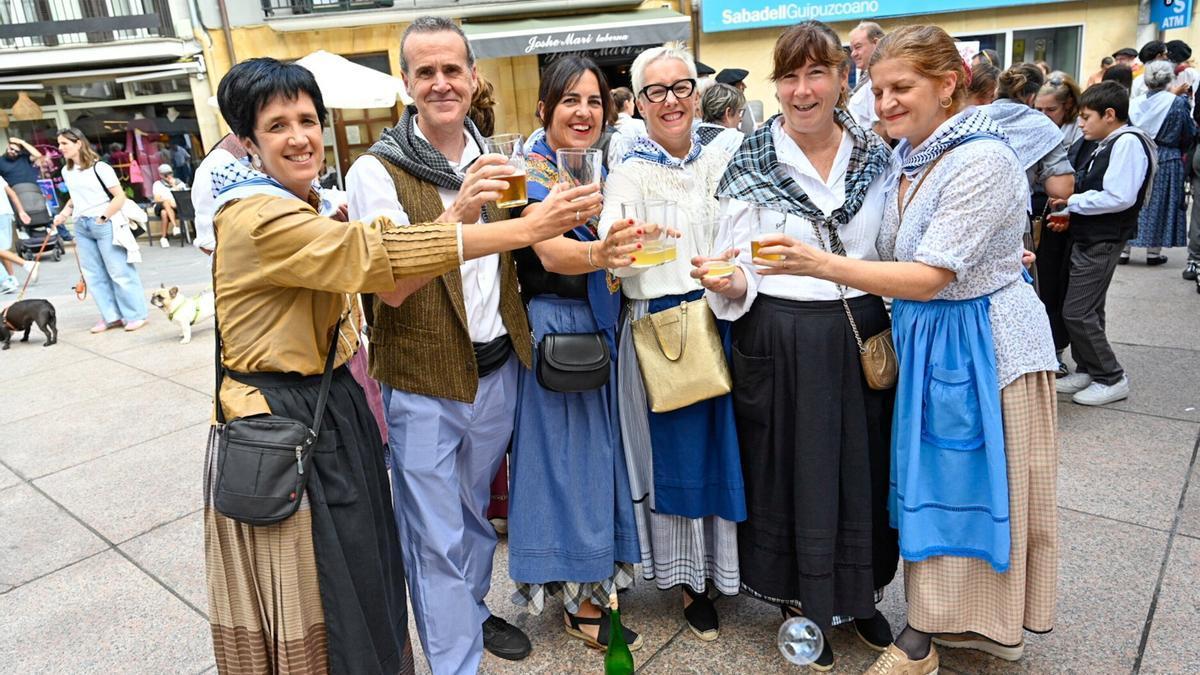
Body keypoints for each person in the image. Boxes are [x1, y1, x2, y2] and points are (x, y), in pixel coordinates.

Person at [205, 55, 588, 675]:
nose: (299, 136)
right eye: (277, 126)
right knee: (321, 573)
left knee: (369, 560)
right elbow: (375, 258)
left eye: (307, 119)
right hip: (288, 413)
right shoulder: (260, 213)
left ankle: (434, 637)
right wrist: (504, 227)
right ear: (246, 143)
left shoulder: (302, 202)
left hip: (337, 400)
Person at [755, 25, 1060, 673]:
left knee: (975, 485)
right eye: (879, 88)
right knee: (938, 484)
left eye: (902, 88)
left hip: (987, 347)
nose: (886, 101)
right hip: (936, 339)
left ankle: (932, 635)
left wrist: (822, 265)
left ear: (948, 86)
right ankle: (942, 623)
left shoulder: (981, 158)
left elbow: (929, 273)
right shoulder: (912, 154)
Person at [345, 17, 602, 674]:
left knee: (473, 520)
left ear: (472, 77)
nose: (440, 83)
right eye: (425, 72)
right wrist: (457, 213)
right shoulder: (377, 171)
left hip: (497, 372)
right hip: (425, 379)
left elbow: (534, 246)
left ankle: (471, 608)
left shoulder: (495, 157)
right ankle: (457, 661)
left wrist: (597, 246)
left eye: (451, 69)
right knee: (433, 538)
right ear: (406, 82)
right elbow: (392, 288)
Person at [693, 20, 898, 671]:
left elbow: (893, 248)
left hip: (858, 326)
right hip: (778, 332)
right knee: (790, 470)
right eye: (789, 75)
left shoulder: (874, 153)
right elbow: (736, 267)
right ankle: (799, 599)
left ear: (844, 77)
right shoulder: (749, 159)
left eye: (816, 73)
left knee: (863, 467)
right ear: (776, 84)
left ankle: (860, 594)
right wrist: (727, 281)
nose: (802, 89)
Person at [599, 44, 746, 643]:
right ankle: (691, 582)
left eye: (680, 87)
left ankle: (735, 569)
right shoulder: (627, 160)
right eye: (655, 91)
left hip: (731, 312)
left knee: (732, 451)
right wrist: (625, 236)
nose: (671, 101)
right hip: (665, 324)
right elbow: (613, 233)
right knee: (680, 460)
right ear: (637, 102)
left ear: (696, 90)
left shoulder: (730, 146)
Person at [506, 54, 646, 652]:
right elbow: (551, 252)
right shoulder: (530, 174)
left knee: (593, 462)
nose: (584, 112)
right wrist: (604, 255)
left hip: (596, 320)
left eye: (594, 101)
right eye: (570, 101)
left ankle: (592, 581)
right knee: (565, 463)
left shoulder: (599, 167)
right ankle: (578, 596)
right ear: (545, 110)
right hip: (558, 327)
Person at [1053, 81, 1156, 406]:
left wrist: (1073, 202)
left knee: (1078, 312)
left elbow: (1119, 196)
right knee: (1090, 309)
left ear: (1109, 114)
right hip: (1093, 237)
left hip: (1103, 238)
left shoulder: (1126, 142)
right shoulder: (1112, 141)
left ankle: (1111, 376)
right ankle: (1089, 369)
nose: (1081, 123)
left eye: (1086, 116)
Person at [53, 128, 148, 333]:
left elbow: (119, 196)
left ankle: (135, 315)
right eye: (59, 144)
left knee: (119, 271)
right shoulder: (66, 171)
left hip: (105, 223)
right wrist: (64, 213)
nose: (60, 148)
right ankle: (111, 316)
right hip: (81, 224)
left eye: (64, 144)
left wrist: (103, 217)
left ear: (78, 143)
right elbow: (75, 198)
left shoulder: (100, 168)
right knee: (93, 274)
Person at [1035, 72, 1085, 373]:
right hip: (1042, 213)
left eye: (1049, 110)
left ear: (1068, 107)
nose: (1043, 116)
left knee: (1054, 286)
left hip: (1064, 217)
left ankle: (1056, 350)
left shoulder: (1079, 134)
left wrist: (1065, 208)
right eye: (1038, 109)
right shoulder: (1038, 129)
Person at [1127, 60, 1195, 266]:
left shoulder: (1135, 104)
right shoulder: (1177, 103)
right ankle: (1153, 253)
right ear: (1169, 80)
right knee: (1160, 203)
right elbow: (1188, 132)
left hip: (1139, 155)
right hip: (1167, 156)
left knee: (1134, 201)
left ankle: (1124, 249)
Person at [0, 175, 36, 294]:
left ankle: (26, 265)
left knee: (1, 249)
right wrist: (21, 211)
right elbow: (12, 194)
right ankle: (11, 278)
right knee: (3, 249)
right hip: (5, 214)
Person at [847, 21, 885, 131]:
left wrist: (868, 148)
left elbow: (881, 125)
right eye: (851, 49)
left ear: (876, 43)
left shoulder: (879, 78)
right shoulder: (866, 77)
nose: (853, 54)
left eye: (858, 47)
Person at [696, 82, 745, 155]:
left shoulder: (689, 136)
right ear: (728, 112)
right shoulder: (735, 138)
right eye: (739, 112)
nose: (741, 119)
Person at [608, 86, 647, 168]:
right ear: (626, 103)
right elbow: (646, 155)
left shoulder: (606, 125)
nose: (634, 105)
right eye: (632, 101)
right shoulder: (637, 125)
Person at [151, 163, 187, 248]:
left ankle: (163, 238)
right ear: (161, 175)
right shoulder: (158, 184)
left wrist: (174, 185)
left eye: (170, 173)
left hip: (176, 207)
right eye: (166, 174)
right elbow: (157, 199)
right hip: (160, 206)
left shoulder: (179, 183)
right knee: (166, 203)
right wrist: (168, 201)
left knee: (164, 213)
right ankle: (175, 226)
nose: (168, 176)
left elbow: (183, 195)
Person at [716, 67, 758, 134]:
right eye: (741, 84)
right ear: (733, 88)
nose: (745, 86)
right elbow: (748, 129)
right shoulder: (739, 105)